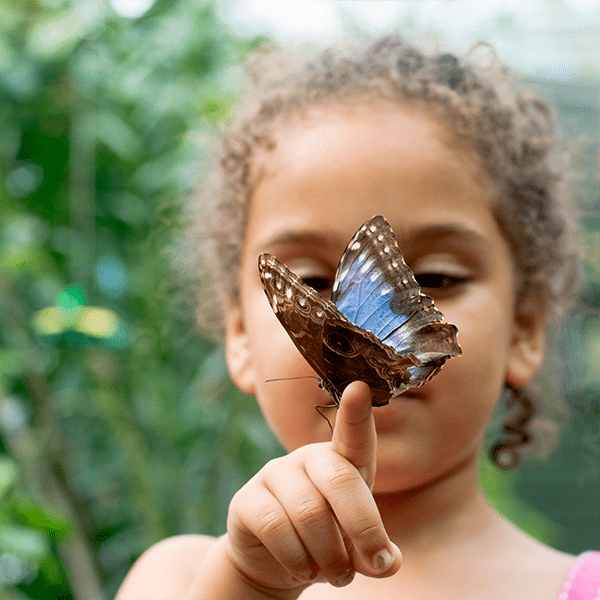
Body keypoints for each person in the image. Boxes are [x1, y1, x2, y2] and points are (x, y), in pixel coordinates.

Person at [116, 34, 599, 599]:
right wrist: (245, 586)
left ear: (526, 327)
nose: (361, 330)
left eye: (438, 276)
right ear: (240, 335)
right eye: (315, 286)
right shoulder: (181, 579)